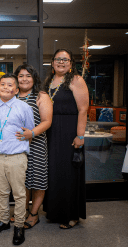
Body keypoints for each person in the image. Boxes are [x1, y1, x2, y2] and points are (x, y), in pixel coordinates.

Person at [0, 73, 34, 245]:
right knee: (2, 192)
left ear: (16, 89)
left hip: (16, 157)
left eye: (10, 85)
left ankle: (19, 225)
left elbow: (29, 132)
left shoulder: (24, 107)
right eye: (2, 84)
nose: (6, 87)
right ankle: (4, 221)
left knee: (19, 194)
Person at [43, 48, 89, 229]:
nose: (61, 62)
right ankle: (55, 211)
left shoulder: (76, 80)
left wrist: (80, 135)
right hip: (51, 131)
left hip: (70, 131)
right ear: (53, 62)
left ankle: (71, 215)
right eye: (58, 59)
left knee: (69, 173)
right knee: (54, 172)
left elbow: (83, 109)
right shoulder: (49, 81)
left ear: (71, 63)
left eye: (65, 59)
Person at [13, 64, 53, 229]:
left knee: (37, 181)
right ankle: (23, 211)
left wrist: (32, 133)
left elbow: (47, 121)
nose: (24, 79)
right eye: (21, 76)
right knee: (21, 181)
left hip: (35, 145)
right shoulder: (12, 96)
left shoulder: (40, 96)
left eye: (28, 76)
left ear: (34, 78)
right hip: (16, 147)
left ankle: (34, 214)